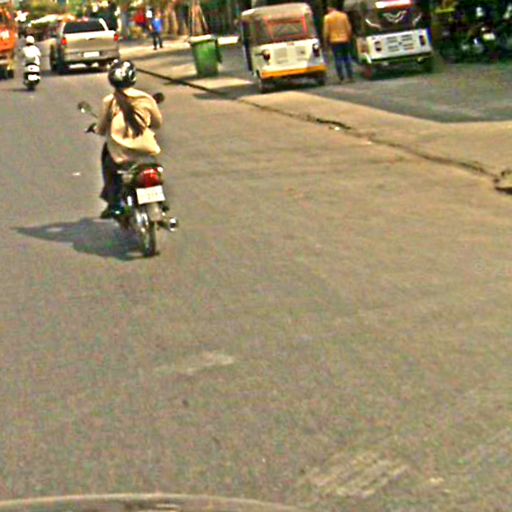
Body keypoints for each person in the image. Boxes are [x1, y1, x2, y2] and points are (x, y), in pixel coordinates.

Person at [94, 60, 163, 218]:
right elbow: (157, 123)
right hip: (146, 150)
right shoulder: (146, 99)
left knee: (109, 168)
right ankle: (161, 203)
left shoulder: (109, 101)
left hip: (121, 155)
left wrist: (97, 129)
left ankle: (115, 204)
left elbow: (101, 128)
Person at [323, 0, 354, 82]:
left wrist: (325, 41)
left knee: (337, 59)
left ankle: (341, 78)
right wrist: (349, 37)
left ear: (330, 8)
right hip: (345, 39)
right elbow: (348, 28)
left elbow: (326, 31)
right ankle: (350, 76)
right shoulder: (343, 16)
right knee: (347, 58)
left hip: (334, 40)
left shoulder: (327, 18)